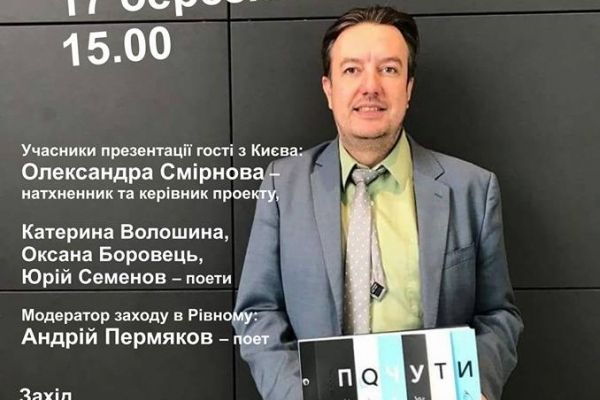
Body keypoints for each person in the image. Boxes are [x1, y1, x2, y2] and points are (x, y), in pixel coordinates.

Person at [233, 6, 523, 400]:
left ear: (408, 88)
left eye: (388, 69)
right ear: (328, 89)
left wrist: (474, 387)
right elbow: (257, 313)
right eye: (352, 70)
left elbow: (497, 316)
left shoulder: (472, 189)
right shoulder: (283, 186)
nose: (370, 86)